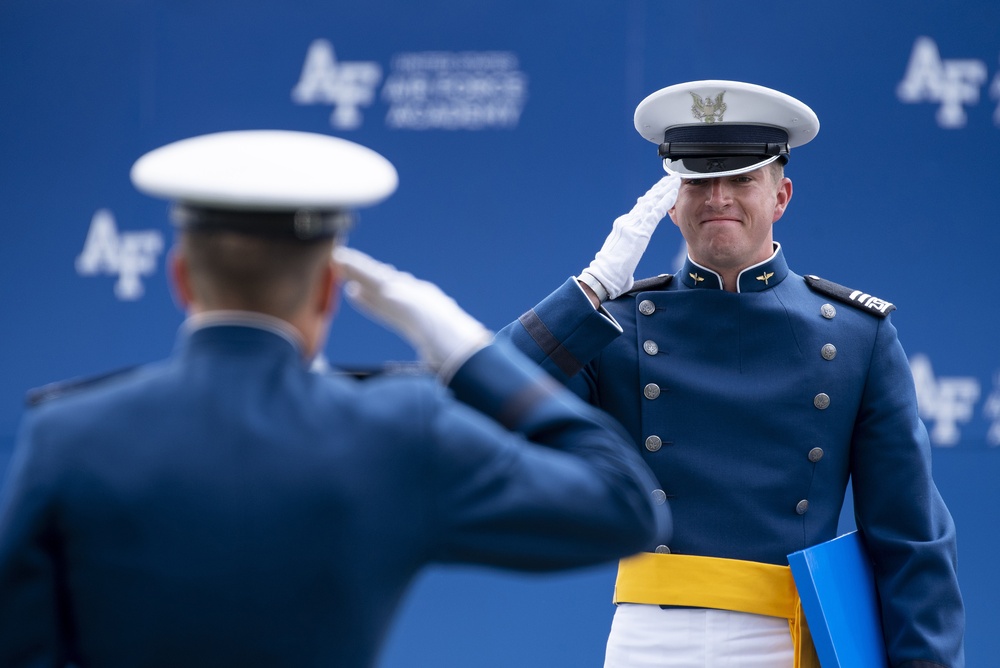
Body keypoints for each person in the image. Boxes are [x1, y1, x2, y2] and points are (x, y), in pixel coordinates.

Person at [0, 130, 671, 667]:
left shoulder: (69, 434)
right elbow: (624, 506)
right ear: (328, 290)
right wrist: (470, 354)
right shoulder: (396, 432)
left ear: (180, 279)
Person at [497, 80, 964, 667]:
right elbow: (485, 406)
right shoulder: (612, 326)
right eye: (697, 180)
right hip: (649, 642)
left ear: (781, 197)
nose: (718, 196)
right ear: (671, 201)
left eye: (743, 178)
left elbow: (911, 539)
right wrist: (588, 290)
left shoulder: (855, 336)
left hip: (784, 640)